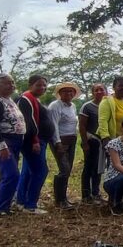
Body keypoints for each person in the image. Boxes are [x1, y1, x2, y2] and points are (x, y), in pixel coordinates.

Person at [0, 73, 26, 217]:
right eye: (6, 83)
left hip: (15, 141)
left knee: (7, 174)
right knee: (11, 174)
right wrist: (2, 147)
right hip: (2, 141)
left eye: (12, 82)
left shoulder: (9, 100)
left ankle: (5, 205)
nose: (11, 86)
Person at [16, 74, 52, 214]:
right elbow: (29, 122)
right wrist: (34, 140)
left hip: (38, 140)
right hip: (33, 141)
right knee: (40, 171)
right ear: (30, 85)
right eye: (39, 85)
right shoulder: (26, 99)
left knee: (27, 171)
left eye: (44, 85)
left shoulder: (34, 99)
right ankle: (31, 204)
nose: (42, 87)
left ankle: (21, 201)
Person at [48, 82, 81, 210]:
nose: (68, 93)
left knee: (68, 169)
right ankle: (60, 200)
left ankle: (64, 198)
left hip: (71, 140)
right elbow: (54, 125)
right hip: (60, 141)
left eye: (71, 91)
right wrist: (58, 143)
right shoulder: (55, 106)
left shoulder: (72, 106)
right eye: (65, 91)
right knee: (64, 169)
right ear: (59, 93)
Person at [78, 83, 107, 204]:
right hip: (91, 141)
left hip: (103, 141)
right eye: (96, 90)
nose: (99, 92)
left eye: (102, 89)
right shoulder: (87, 106)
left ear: (106, 91)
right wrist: (85, 143)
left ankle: (96, 193)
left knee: (98, 168)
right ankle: (86, 195)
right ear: (92, 92)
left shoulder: (107, 105)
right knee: (89, 168)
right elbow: (82, 126)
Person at [97, 76, 123, 144]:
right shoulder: (107, 101)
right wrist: (105, 138)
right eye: (120, 86)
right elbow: (102, 121)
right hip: (114, 141)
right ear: (114, 87)